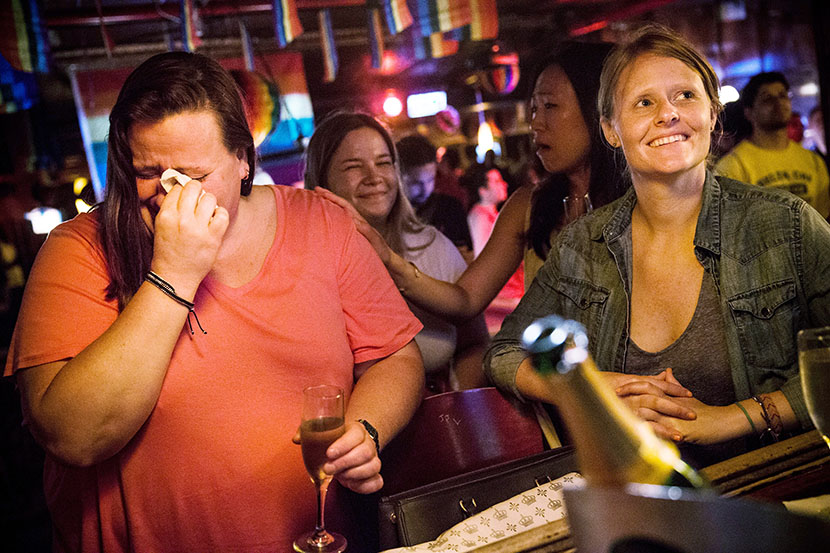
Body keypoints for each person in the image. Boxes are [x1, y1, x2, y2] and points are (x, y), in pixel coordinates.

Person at [3, 52, 425, 552]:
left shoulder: (321, 223)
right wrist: (175, 273)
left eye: (194, 174)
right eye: (149, 171)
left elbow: (395, 356)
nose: (169, 193)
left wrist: (366, 431)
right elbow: (72, 436)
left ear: (243, 159)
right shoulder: (78, 248)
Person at [486, 24, 830, 467]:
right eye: (644, 102)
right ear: (610, 128)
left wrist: (737, 416)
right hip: (642, 497)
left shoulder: (784, 224)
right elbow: (504, 351)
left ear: (711, 113)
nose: (668, 114)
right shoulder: (583, 245)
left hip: (774, 483)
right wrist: (593, 387)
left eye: (685, 96)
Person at [319, 42, 624, 325]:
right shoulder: (527, 207)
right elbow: (465, 299)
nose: (535, 123)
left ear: (598, 110)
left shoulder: (642, 204)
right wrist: (390, 260)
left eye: (550, 107)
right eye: (533, 109)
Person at [304, 112, 490, 391]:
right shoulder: (303, 264)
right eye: (354, 167)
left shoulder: (430, 245)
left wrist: (459, 403)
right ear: (322, 180)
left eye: (383, 163)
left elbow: (474, 342)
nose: (374, 177)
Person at [716, 71, 830, 218]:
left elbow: (822, 219)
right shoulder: (733, 167)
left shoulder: (813, 161)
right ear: (749, 112)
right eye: (767, 98)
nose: (778, 103)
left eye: (783, 96)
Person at [397, 134, 474, 260]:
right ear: (398, 176)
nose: (425, 189)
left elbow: (468, 254)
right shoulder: (389, 213)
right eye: (416, 183)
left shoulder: (451, 207)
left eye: (430, 180)